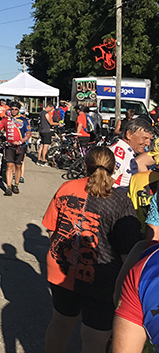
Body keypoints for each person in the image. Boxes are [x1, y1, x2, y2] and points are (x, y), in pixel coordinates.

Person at [42, 146, 141, 353]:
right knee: (95, 338)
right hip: (102, 277)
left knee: (60, 322)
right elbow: (128, 253)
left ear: (85, 166)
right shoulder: (120, 203)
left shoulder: (66, 187)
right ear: (114, 170)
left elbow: (52, 230)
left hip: (62, 268)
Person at [0, 101, 32, 196]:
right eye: (12, 109)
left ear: (18, 110)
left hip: (20, 146)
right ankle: (9, 187)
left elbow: (28, 133)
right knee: (9, 166)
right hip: (9, 146)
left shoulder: (24, 120)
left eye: (16, 109)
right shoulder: (6, 119)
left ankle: (16, 185)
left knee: (18, 166)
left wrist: (21, 141)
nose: (14, 111)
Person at [109, 116, 153, 188]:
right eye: (144, 138)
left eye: (149, 140)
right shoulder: (119, 155)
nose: (148, 143)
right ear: (129, 134)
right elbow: (104, 185)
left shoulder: (128, 152)